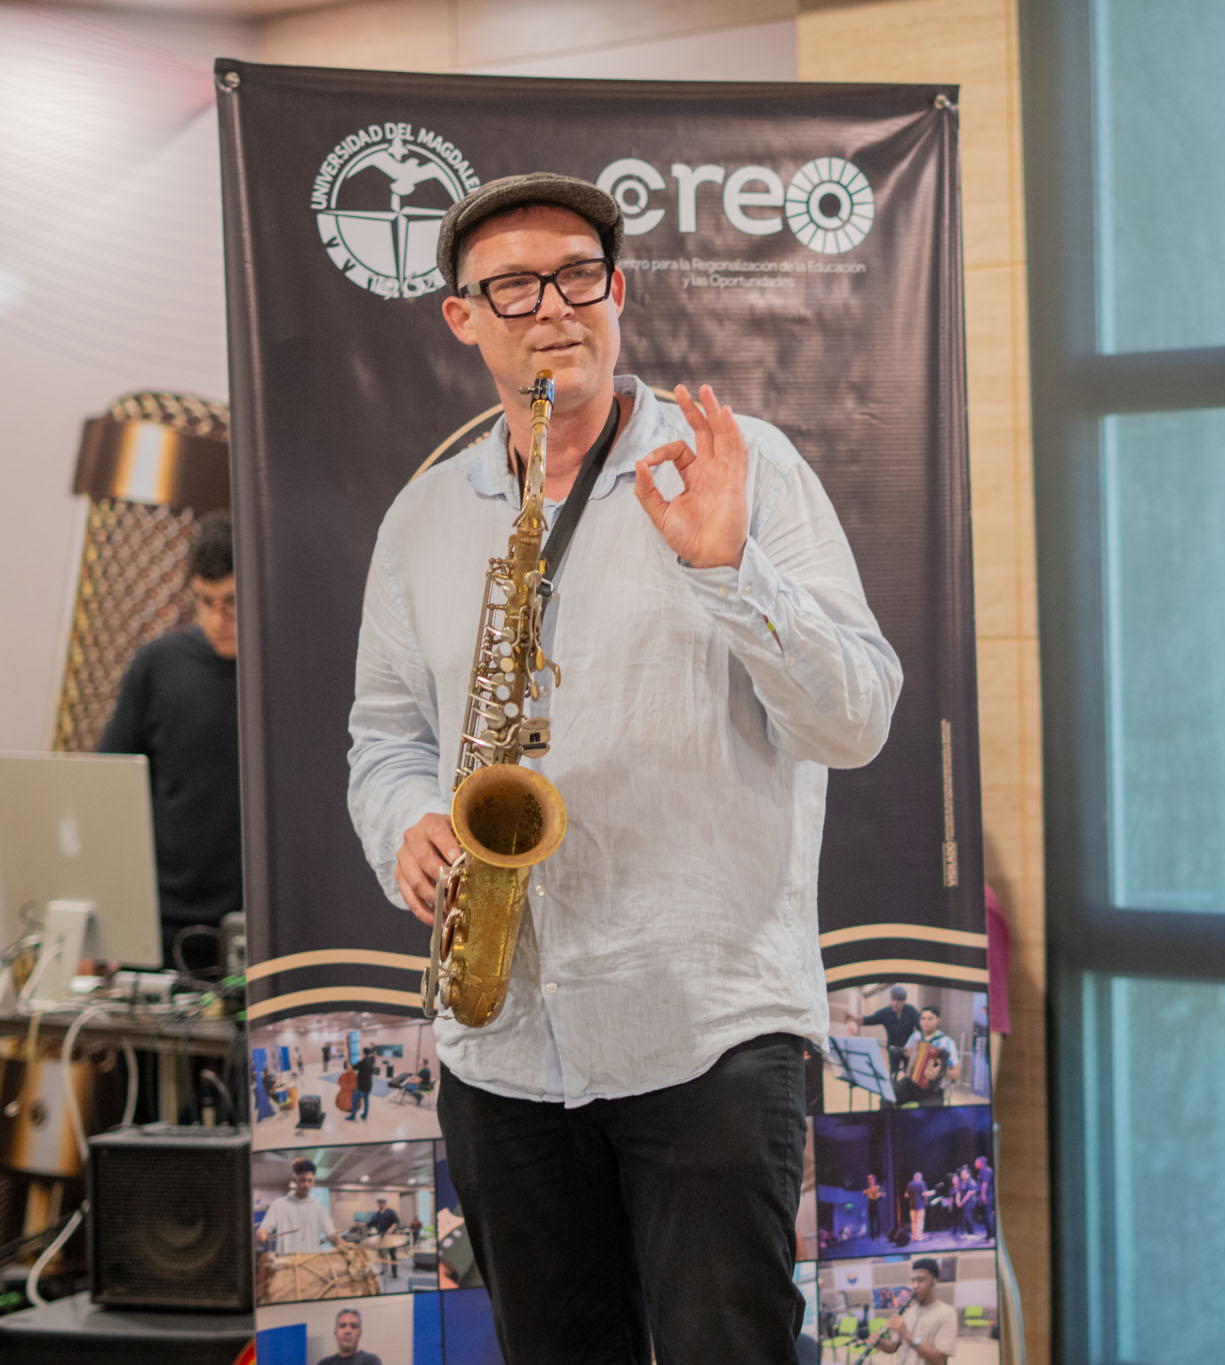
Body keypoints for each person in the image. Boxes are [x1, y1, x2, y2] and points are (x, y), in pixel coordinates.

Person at [345, 172, 901, 1363]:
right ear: (462, 316)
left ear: (619, 289)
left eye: (578, 276)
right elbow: (385, 733)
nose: (554, 308)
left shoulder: (746, 466)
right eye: (513, 285)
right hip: (501, 1040)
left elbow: (855, 720)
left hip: (702, 1026)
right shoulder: (425, 519)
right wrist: (402, 819)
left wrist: (727, 568)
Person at [98, 510, 240, 972]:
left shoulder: (280, 674)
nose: (217, 618)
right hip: (158, 925)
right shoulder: (157, 667)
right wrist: (106, 917)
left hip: (248, 924)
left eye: (231, 602)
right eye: (204, 601)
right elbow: (111, 793)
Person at [866, 1258, 956, 1362]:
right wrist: (879, 1343)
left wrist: (906, 1334)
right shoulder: (908, 1311)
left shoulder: (947, 1314)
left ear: (934, 1281)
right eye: (913, 1280)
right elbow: (893, 1347)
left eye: (920, 1280)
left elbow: (940, 1359)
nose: (915, 1286)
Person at [256, 1158, 337, 1254]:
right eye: (302, 1180)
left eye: (310, 1181)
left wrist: (345, 1246)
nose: (306, 1184)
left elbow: (331, 1236)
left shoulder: (319, 1209)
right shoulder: (278, 1205)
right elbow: (264, 1228)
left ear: (313, 1183)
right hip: (286, 1264)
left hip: (311, 1264)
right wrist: (261, 1233)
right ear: (295, 1180)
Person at [847, 985, 921, 1083]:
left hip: (908, 1049)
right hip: (893, 1048)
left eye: (898, 1001)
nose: (895, 1003)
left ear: (904, 1001)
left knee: (910, 1074)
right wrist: (855, 1019)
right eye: (893, 1000)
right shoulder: (885, 1012)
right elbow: (869, 1019)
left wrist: (915, 1046)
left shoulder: (910, 1010)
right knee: (893, 1075)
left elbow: (921, 1028)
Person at [898, 1007, 959, 1107]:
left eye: (930, 1019)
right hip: (911, 1083)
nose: (926, 1022)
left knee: (928, 1113)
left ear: (938, 1020)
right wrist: (907, 1054)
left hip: (933, 1090)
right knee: (888, 1098)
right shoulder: (915, 1036)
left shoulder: (947, 1042)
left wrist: (939, 1072)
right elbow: (906, 1053)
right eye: (923, 1018)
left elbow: (957, 1073)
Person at [314, 1306, 384, 1365]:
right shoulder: (324, 1363)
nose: (348, 1331)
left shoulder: (371, 1362)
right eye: (343, 1326)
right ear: (335, 1332)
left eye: (353, 1326)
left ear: (360, 1333)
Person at [349, 1048, 377, 1122]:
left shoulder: (362, 1062)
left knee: (354, 1101)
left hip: (362, 1085)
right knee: (366, 1100)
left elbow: (353, 1067)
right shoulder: (372, 1061)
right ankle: (365, 1115)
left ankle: (352, 1116)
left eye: (362, 1053)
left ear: (364, 1054)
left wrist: (350, 1064)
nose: (361, 1054)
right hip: (369, 1084)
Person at [863, 1172, 888, 1243]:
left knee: (877, 1219)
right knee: (871, 1220)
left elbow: (883, 1194)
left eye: (871, 1179)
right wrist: (866, 1192)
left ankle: (878, 1235)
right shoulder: (868, 1187)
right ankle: (872, 1236)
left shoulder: (878, 1187)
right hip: (870, 1204)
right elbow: (864, 1192)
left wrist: (881, 1195)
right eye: (869, 1179)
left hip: (876, 1204)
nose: (869, 1180)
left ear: (874, 1179)